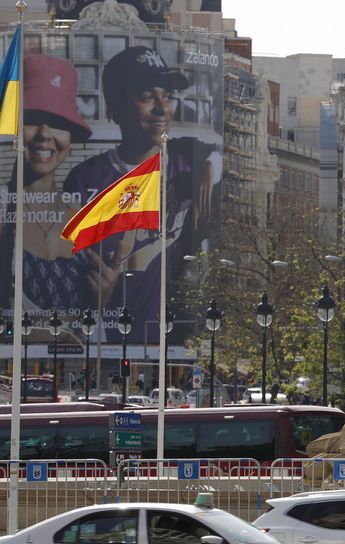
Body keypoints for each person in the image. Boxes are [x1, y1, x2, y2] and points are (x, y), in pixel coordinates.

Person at [63, 45, 221, 341]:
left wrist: (211, 166)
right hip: (104, 344)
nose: (162, 107)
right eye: (147, 97)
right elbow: (67, 279)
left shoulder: (186, 160)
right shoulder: (85, 178)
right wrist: (97, 302)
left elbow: (218, 152)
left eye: (168, 96)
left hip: (174, 340)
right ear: (115, 105)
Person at [0, 54, 122, 313]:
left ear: (71, 137)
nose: (44, 134)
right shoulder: (2, 208)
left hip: (77, 354)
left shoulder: (82, 217)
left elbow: (92, 321)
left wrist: (104, 298)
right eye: (33, 119)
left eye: (58, 123)